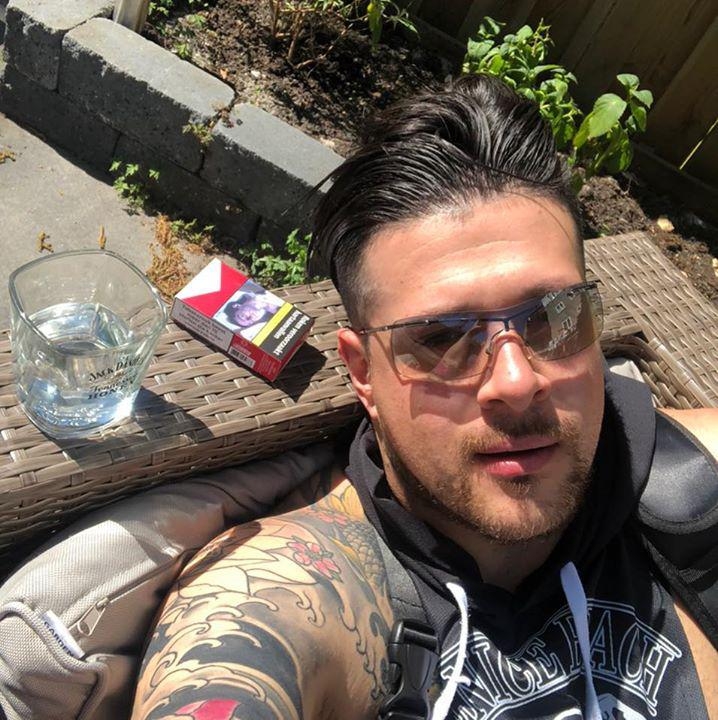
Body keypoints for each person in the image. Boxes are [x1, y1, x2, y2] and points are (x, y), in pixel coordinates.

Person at [131, 75, 718, 720]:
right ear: (364, 373)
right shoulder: (290, 591)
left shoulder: (691, 474)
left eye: (554, 316)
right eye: (440, 338)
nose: (516, 380)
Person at [216, 282, 285, 340]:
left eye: (243, 316)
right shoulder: (270, 319)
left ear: (237, 306)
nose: (252, 318)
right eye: (250, 322)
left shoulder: (248, 288)